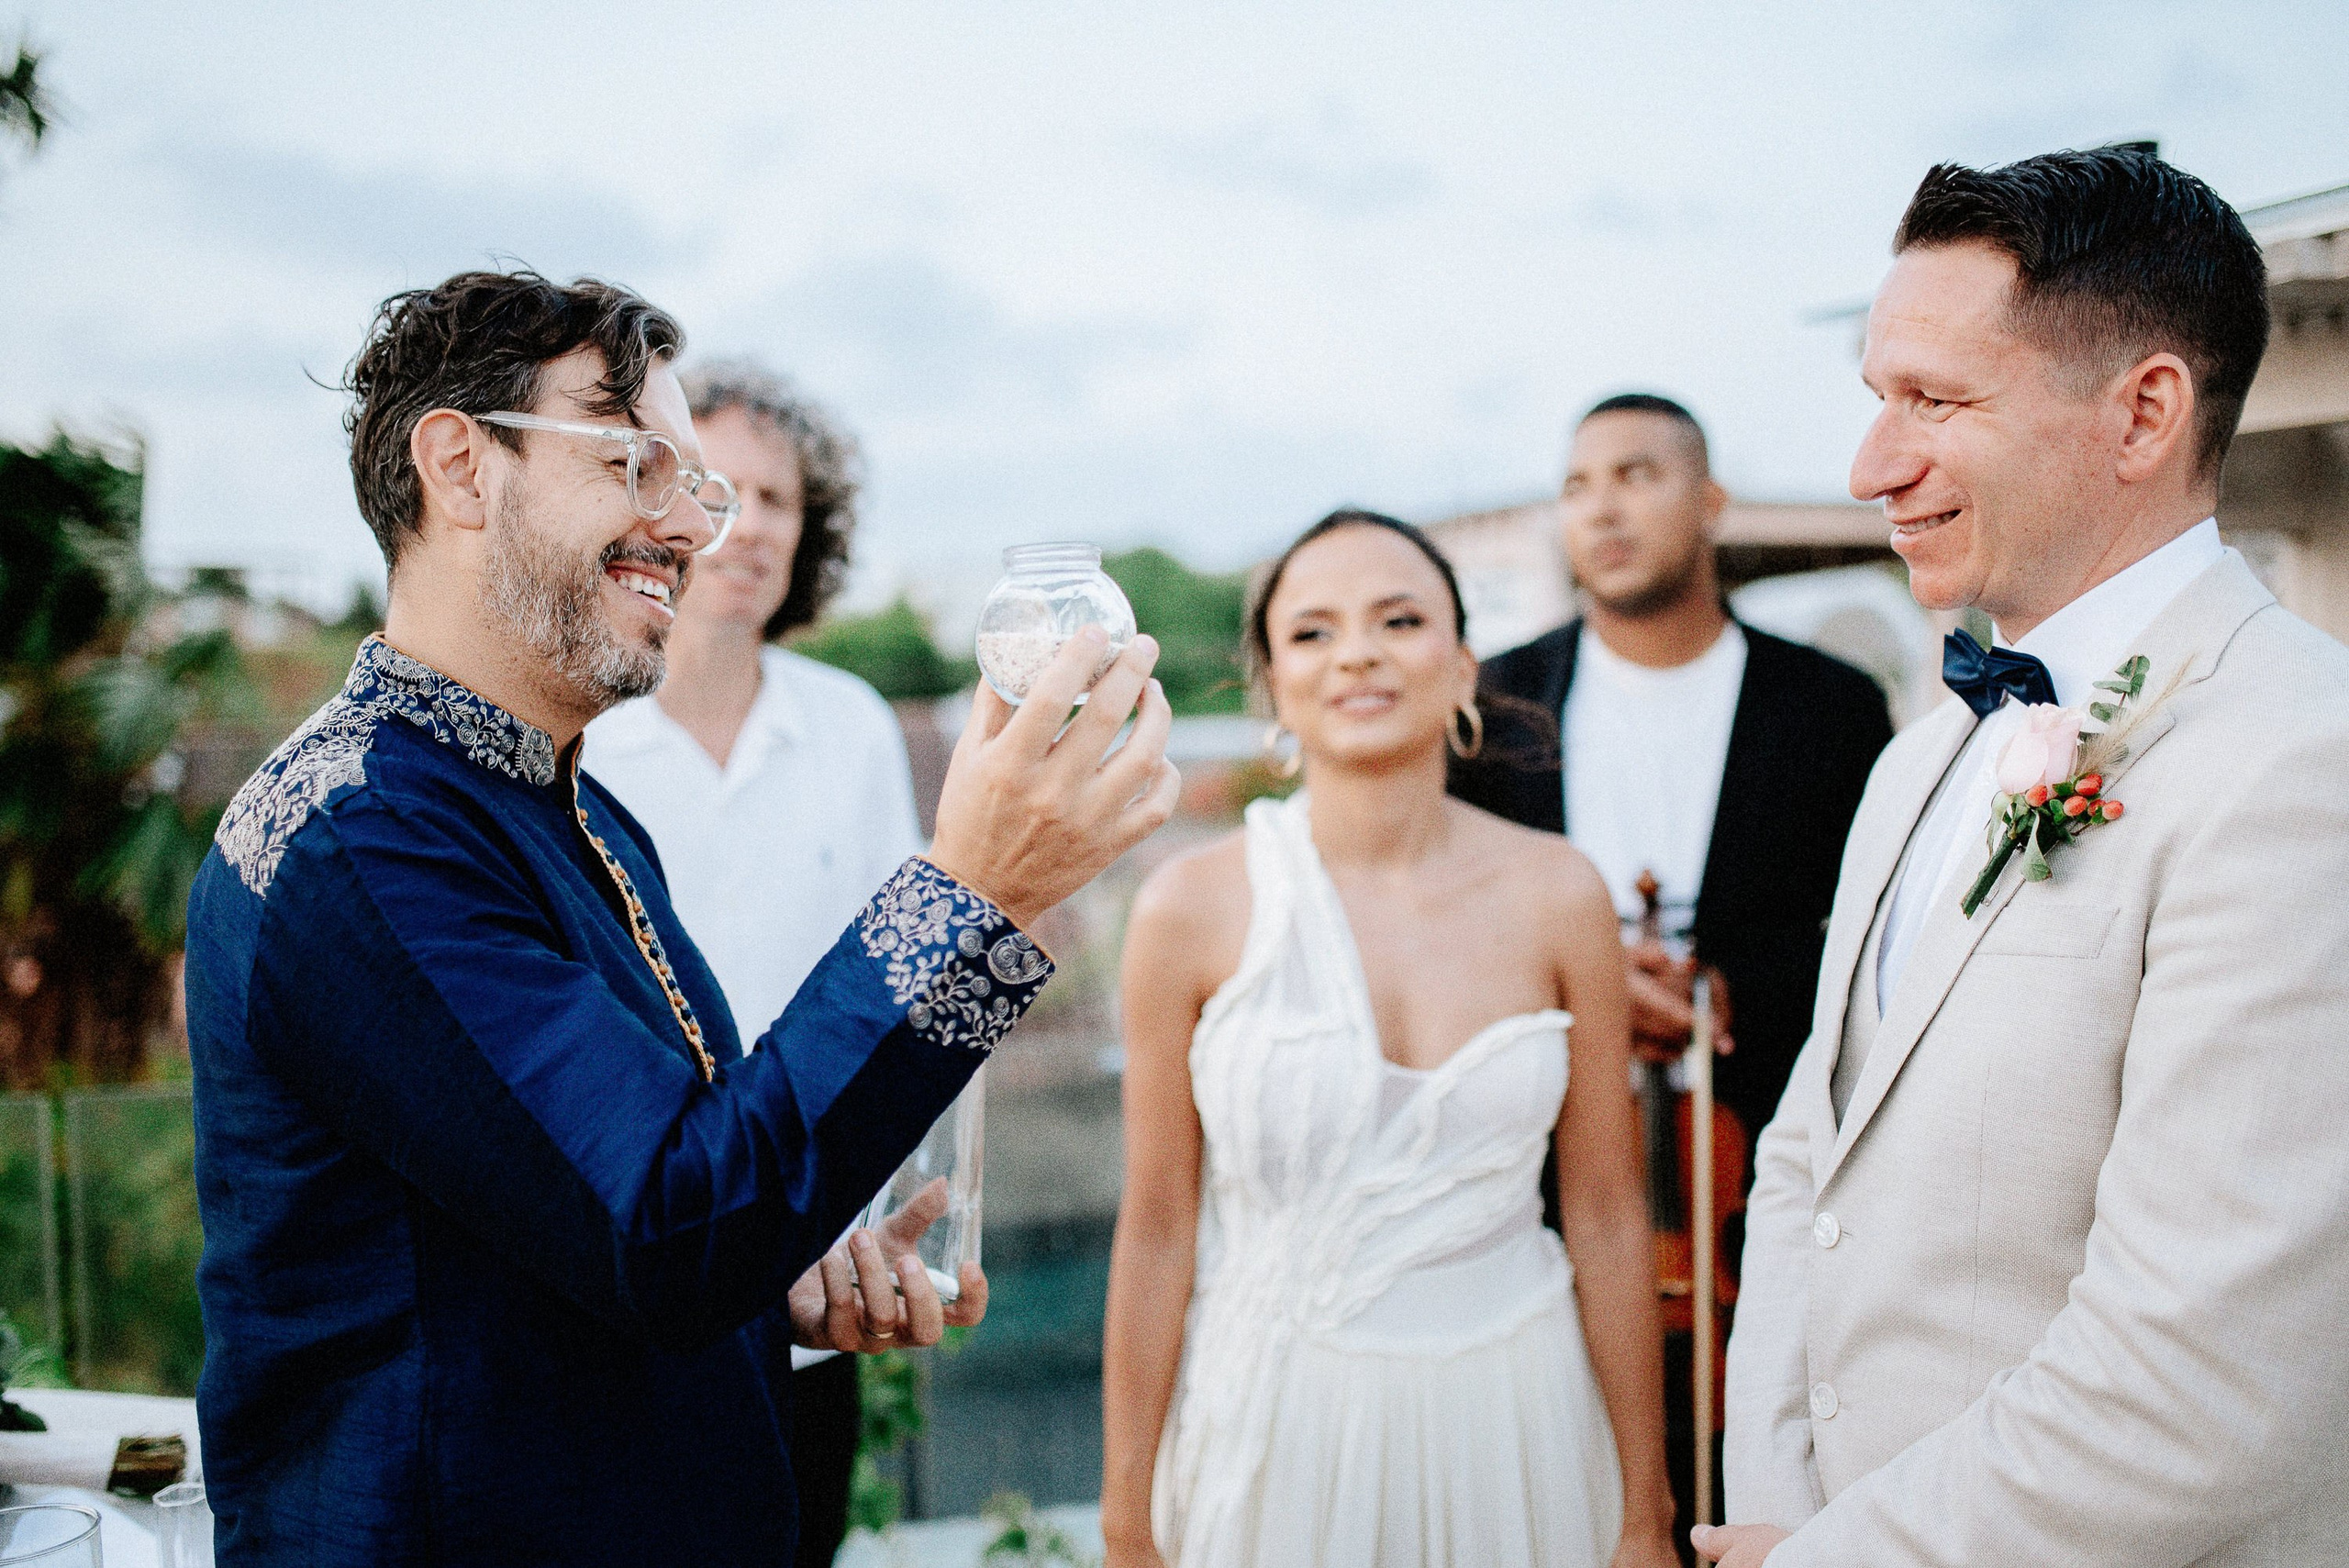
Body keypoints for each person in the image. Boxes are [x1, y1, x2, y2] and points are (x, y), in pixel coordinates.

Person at [183, 270, 1178, 1567]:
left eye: (696, 488)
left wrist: (783, 1276)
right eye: (639, 463)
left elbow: (640, 1213)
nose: (691, 528)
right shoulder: (360, 839)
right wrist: (970, 894)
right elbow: (668, 1227)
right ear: (460, 467)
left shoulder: (564, 807)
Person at [1700, 150, 2349, 1567]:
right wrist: (1777, 1510)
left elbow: (2208, 1377)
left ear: (2144, 414)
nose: (1872, 465)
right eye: (1878, 401)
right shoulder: (1914, 760)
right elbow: (1815, 1168)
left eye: (1935, 401)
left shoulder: (2307, 761)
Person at [1101, 509, 1679, 1568]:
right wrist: (1126, 1519)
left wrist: (1644, 1511)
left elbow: (1603, 1211)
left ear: (1462, 665)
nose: (1357, 651)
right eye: (1313, 632)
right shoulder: (1187, 908)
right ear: (1272, 686)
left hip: (1520, 1419)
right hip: (1278, 1431)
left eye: (1398, 618)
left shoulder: (1561, 893)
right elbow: (1155, 1227)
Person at [1453, 395, 1891, 1555]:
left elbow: (1864, 932)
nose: (1601, 505)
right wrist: (1575, 987)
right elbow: (1446, 914)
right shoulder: (1493, 705)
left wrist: (1732, 986)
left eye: (1636, 473)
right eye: (1578, 482)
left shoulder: (1829, 707)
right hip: (1536, 1172)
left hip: (1756, 1165)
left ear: (1708, 502)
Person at [582, 360, 915, 1568]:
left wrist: (880, 1233)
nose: (753, 522)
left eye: (781, 497)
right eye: (718, 486)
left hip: (811, 1280)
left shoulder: (855, 724)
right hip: (624, 1275)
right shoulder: (578, 727)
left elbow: (904, 991)